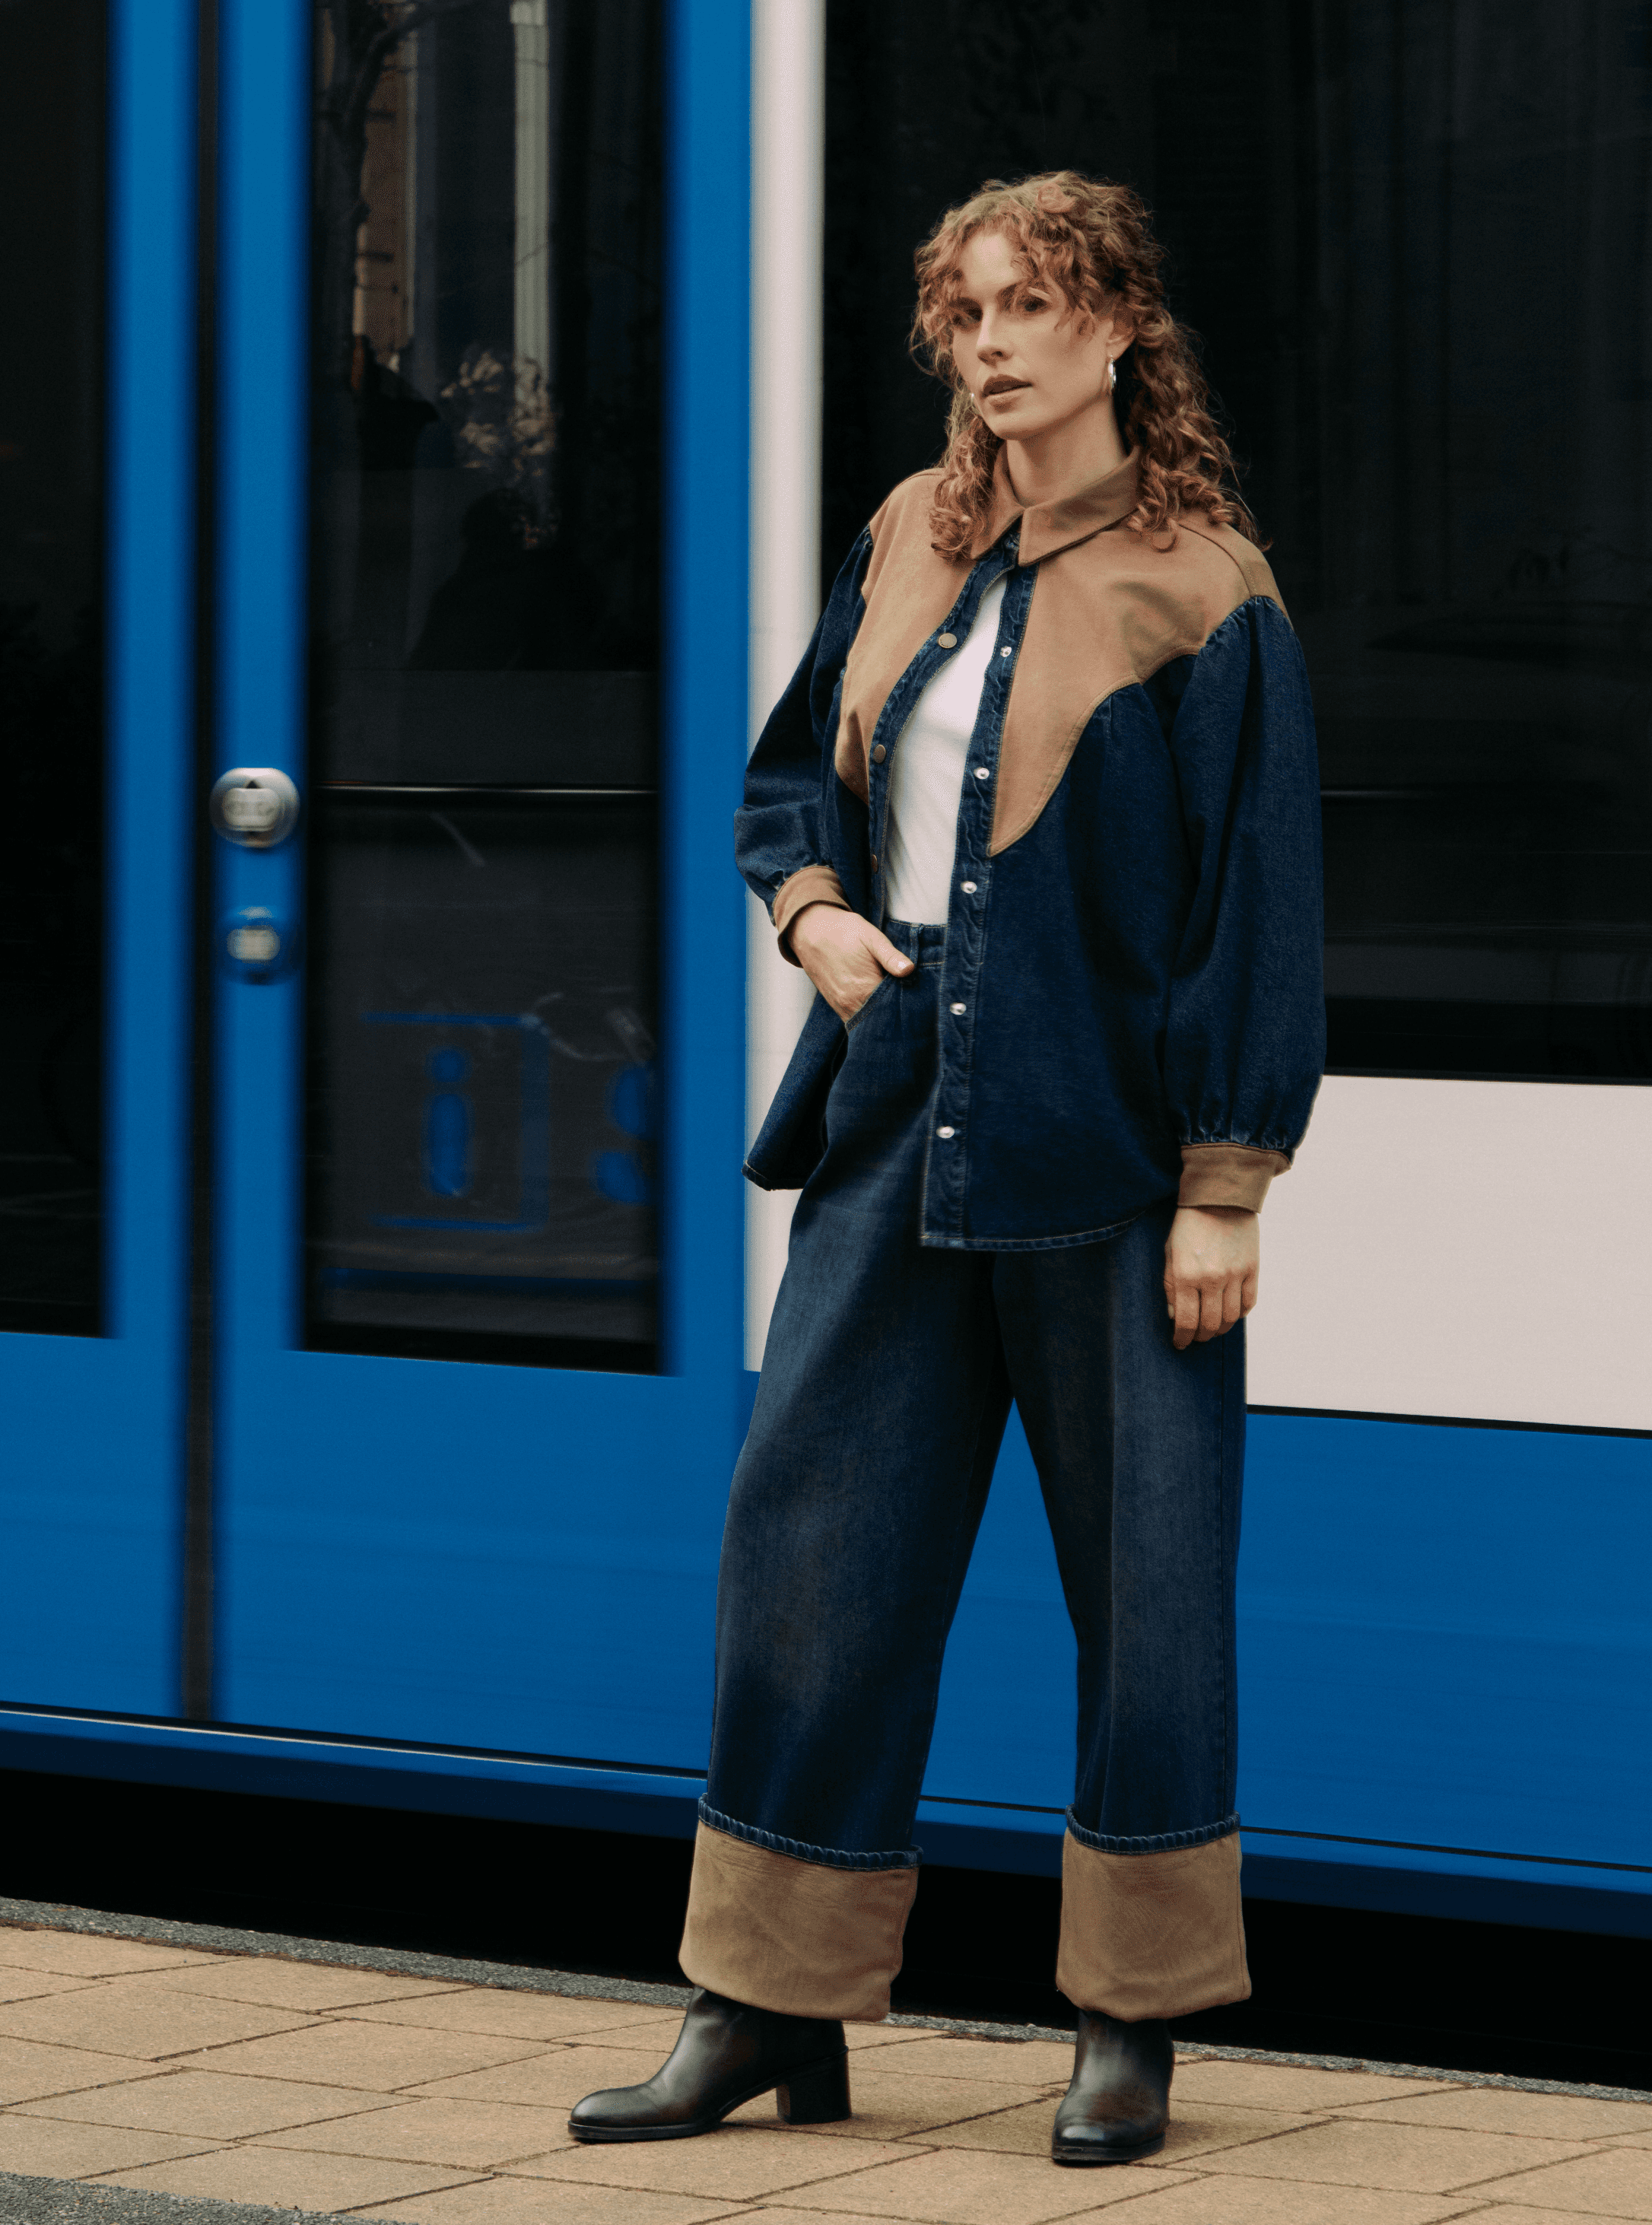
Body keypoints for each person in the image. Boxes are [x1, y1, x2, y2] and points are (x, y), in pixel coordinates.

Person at [571, 170, 1323, 2167]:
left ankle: (1129, 2022)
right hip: (892, 1133)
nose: (988, 345)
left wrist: (1227, 1181)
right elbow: (781, 783)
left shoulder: (1206, 589)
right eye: (963, 315)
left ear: (1115, 331)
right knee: (805, 1561)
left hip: (1112, 1157)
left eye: (1025, 307)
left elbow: (1257, 906)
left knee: (1144, 1597)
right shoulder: (911, 534)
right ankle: (761, 2001)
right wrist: (813, 913)